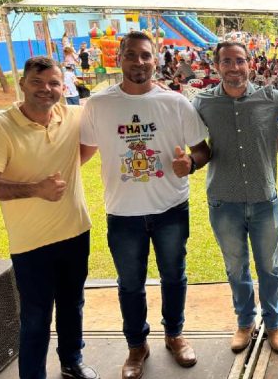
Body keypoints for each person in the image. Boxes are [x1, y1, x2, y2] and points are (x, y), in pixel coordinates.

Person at [80, 31, 209, 379]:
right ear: (119, 57)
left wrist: (191, 164)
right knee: (130, 284)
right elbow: (80, 154)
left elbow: (203, 148)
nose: (139, 62)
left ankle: (174, 335)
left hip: (170, 208)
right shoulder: (98, 105)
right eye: (131, 55)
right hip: (123, 214)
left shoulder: (176, 103)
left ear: (156, 58)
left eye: (146, 56)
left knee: (173, 276)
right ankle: (137, 346)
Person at [0, 56, 99, 379]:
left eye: (53, 83)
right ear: (22, 84)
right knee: (36, 316)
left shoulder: (71, 115)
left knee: (73, 305)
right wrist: (36, 189)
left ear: (63, 86)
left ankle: (72, 361)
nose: (46, 90)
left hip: (75, 232)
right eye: (37, 82)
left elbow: (99, 120)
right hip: (31, 244)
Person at [192, 41, 278, 354]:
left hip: (265, 198)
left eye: (240, 61)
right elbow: (187, 135)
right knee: (235, 267)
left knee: (269, 267)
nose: (234, 67)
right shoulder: (202, 103)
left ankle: (274, 324)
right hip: (224, 200)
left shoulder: (270, 97)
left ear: (249, 64)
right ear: (216, 66)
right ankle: (244, 322)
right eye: (227, 61)